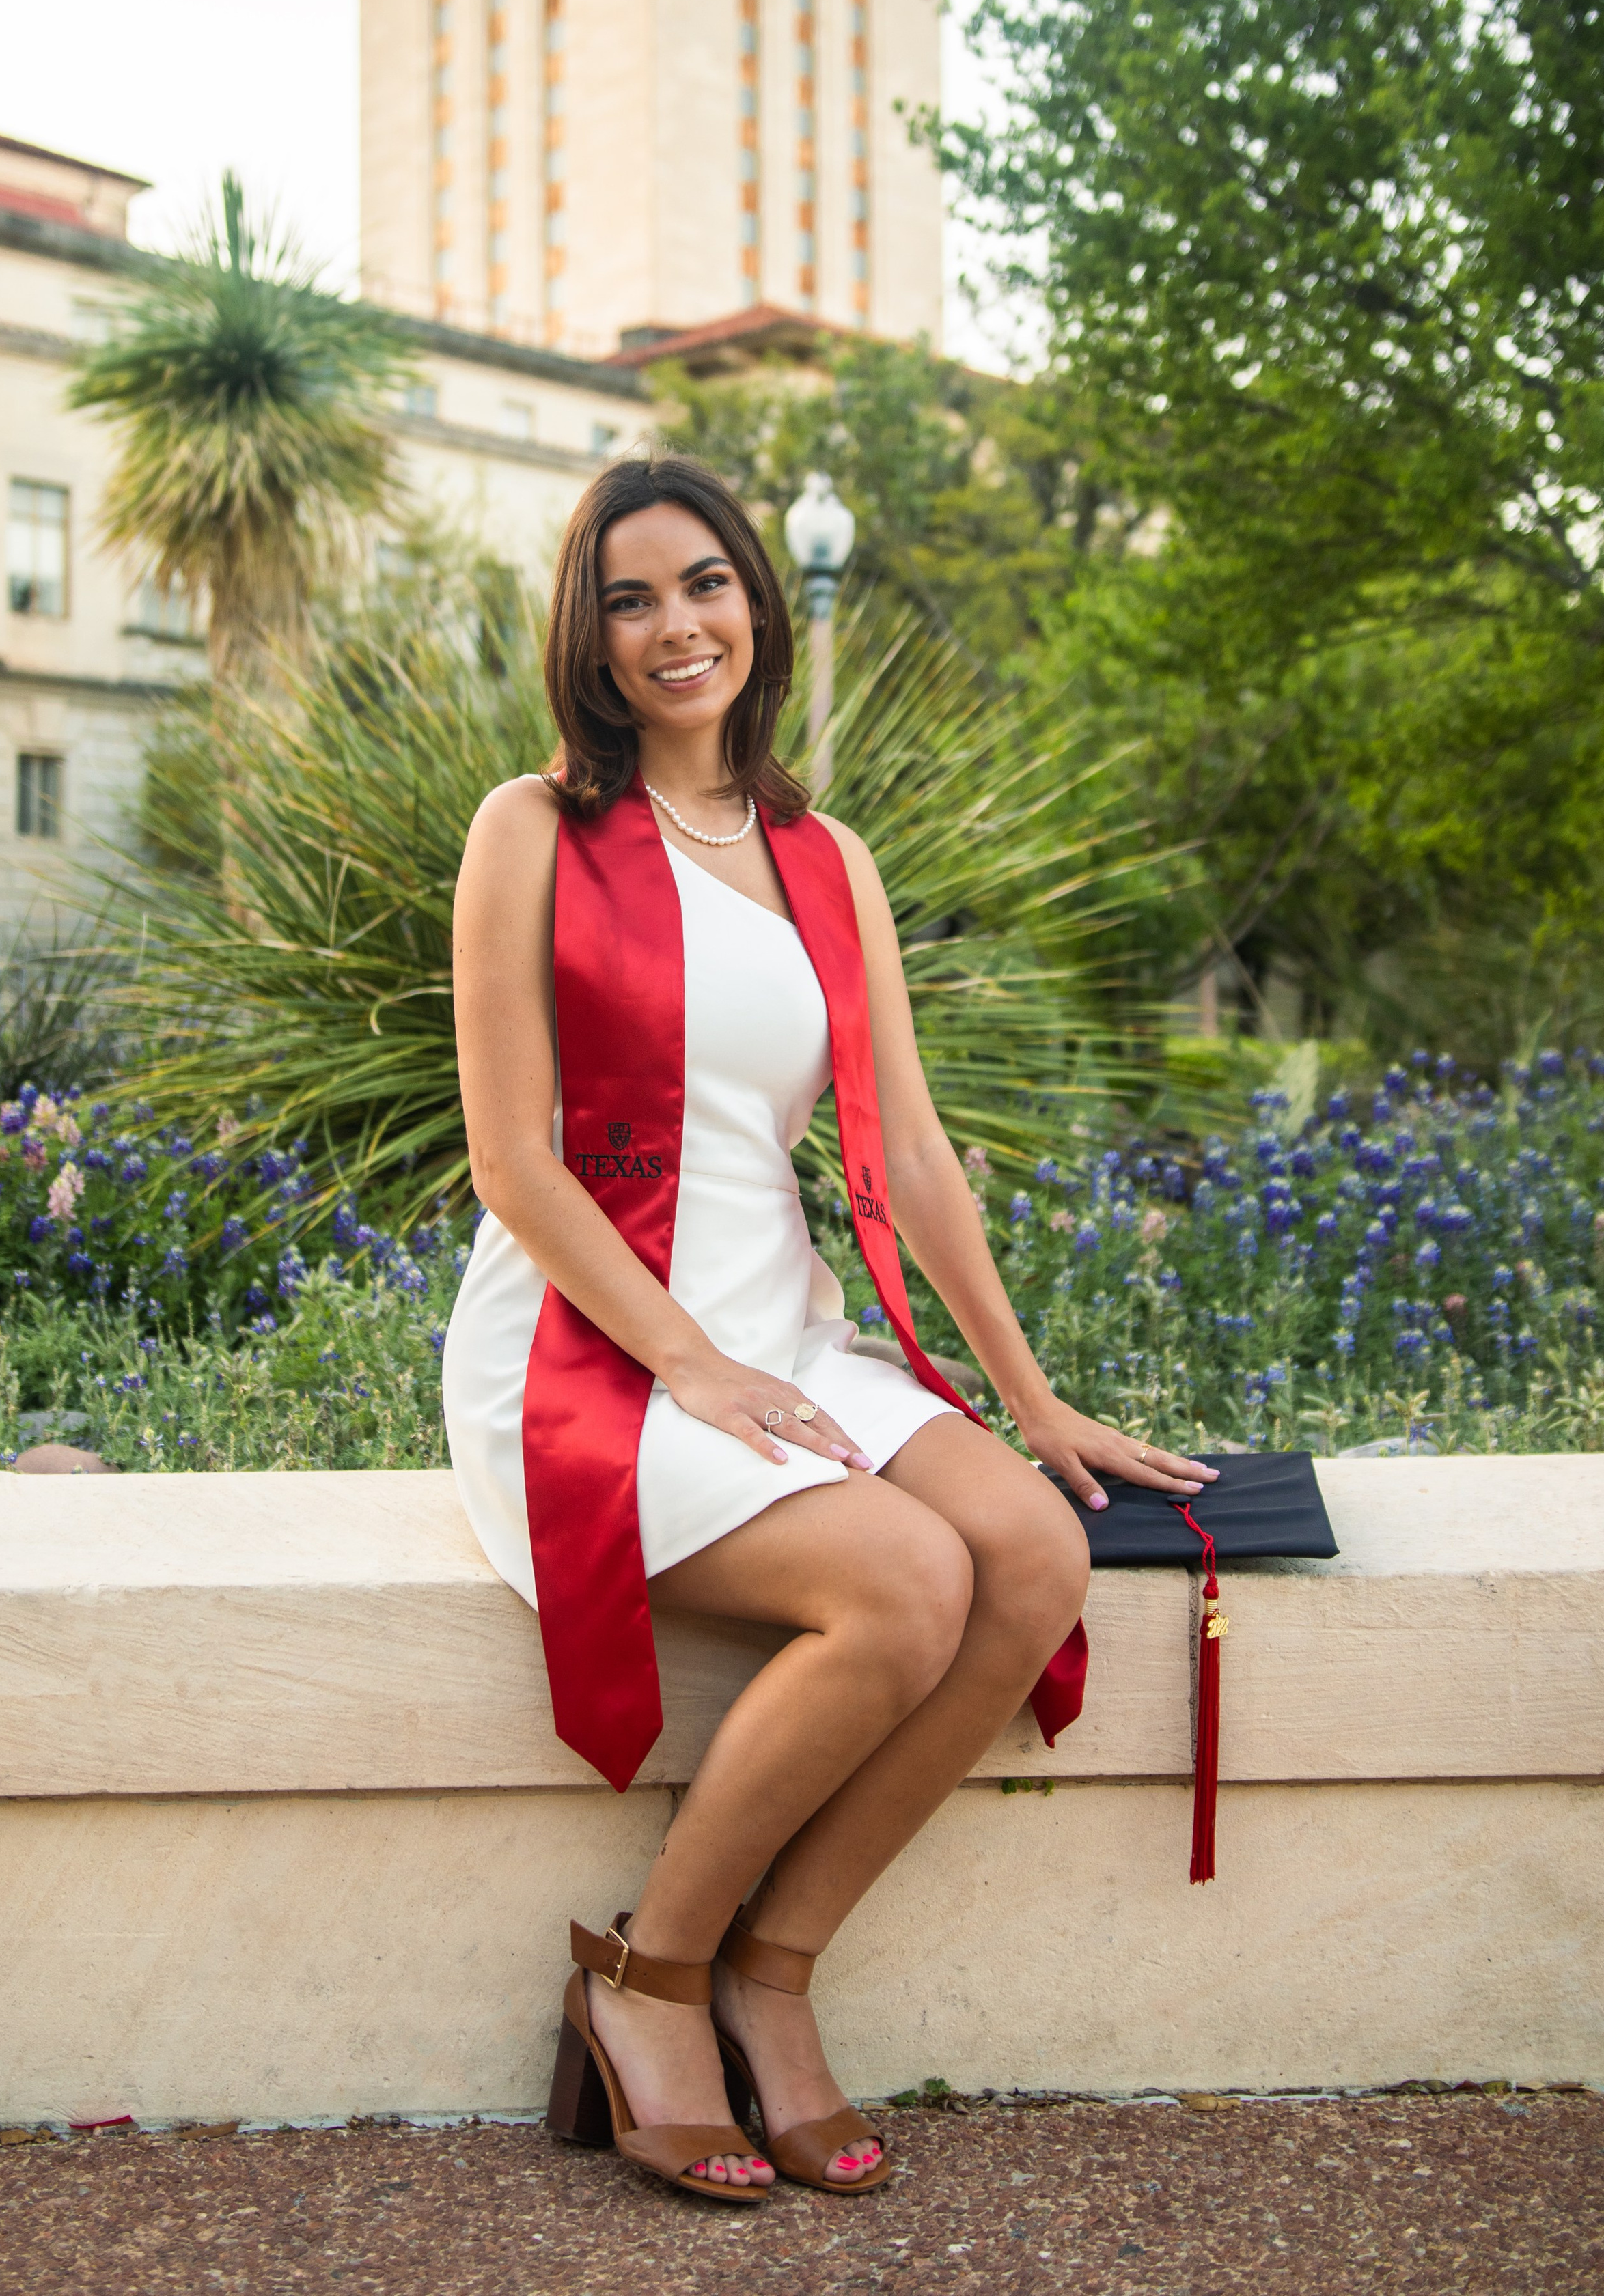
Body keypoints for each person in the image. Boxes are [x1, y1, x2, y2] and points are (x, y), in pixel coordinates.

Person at [445, 455, 1215, 2205]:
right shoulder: (533, 831)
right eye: (630, 597)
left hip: (777, 1328)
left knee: (1025, 1554)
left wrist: (1033, 1404)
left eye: (704, 584)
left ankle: (769, 1967)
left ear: (755, 603)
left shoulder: (818, 856)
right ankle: (644, 1976)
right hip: (593, 1342)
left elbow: (916, 1155)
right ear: (587, 629)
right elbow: (512, 1161)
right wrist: (689, 1364)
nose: (674, 626)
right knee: (900, 1583)